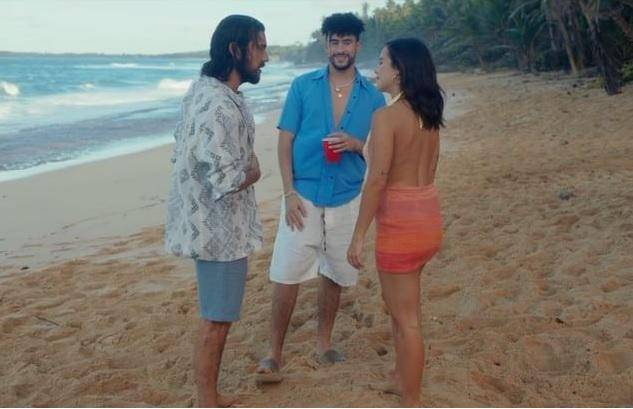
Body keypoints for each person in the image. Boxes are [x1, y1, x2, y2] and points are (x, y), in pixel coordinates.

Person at [255, 13, 385, 382]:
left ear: (357, 45)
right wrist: (288, 192)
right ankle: (273, 352)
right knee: (286, 274)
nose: (340, 48)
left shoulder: (374, 97)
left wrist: (356, 144)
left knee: (335, 272)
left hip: (347, 196)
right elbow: (285, 142)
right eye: (334, 41)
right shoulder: (302, 86)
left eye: (347, 41)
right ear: (326, 44)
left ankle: (323, 343)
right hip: (304, 195)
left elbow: (380, 155)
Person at [164, 15, 268, 407]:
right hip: (218, 231)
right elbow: (225, 178)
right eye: (259, 47)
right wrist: (254, 172)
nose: (265, 57)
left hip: (215, 225)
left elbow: (181, 147)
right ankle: (207, 399)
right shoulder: (217, 105)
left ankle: (210, 395)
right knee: (217, 319)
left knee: (218, 315)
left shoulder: (204, 91)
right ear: (235, 50)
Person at [346, 38, 445, 407]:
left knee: (407, 320)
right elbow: (431, 167)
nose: (377, 69)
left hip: (401, 225)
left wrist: (358, 235)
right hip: (427, 215)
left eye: (382, 62)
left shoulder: (386, 117)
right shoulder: (428, 115)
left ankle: (411, 399)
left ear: (399, 71)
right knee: (401, 307)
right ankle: (399, 378)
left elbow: (377, 179)